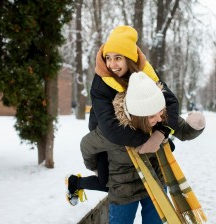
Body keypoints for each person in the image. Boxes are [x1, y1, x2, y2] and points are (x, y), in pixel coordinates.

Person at [66, 26, 205, 211]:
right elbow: (110, 127)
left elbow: (168, 101)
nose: (112, 64)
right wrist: (148, 140)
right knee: (107, 182)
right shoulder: (101, 82)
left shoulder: (145, 73)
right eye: (108, 58)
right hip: (108, 134)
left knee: (160, 154)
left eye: (118, 58)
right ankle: (75, 183)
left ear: (129, 59)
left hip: (141, 126)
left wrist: (161, 133)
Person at [79, 72, 205, 224]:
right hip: (123, 189)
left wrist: (195, 125)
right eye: (152, 116)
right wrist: (95, 167)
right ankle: (75, 183)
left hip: (155, 182)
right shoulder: (112, 131)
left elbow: (183, 130)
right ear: (137, 115)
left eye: (160, 113)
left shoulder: (158, 117)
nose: (158, 119)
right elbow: (86, 146)